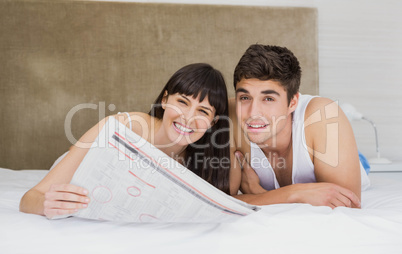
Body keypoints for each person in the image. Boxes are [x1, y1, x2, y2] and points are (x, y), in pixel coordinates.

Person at [19, 63, 235, 219]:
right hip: (78, 163)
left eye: (203, 111)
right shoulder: (122, 127)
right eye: (182, 102)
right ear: (164, 99)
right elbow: (30, 198)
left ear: (213, 122)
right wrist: (45, 204)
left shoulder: (201, 163)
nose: (188, 118)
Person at [229, 44, 369, 208]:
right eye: (245, 97)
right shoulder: (230, 115)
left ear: (292, 103)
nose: (253, 113)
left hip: (329, 147)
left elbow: (349, 205)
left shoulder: (324, 115)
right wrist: (293, 194)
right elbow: (215, 201)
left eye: (268, 99)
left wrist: (257, 192)